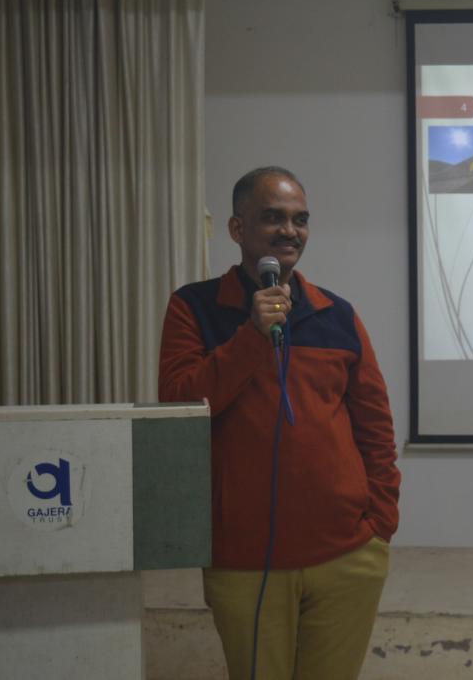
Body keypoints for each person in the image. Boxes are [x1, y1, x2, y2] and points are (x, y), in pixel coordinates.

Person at [158, 166, 400, 680]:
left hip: (347, 557)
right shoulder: (193, 307)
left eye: (300, 219)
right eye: (272, 217)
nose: (290, 231)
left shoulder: (337, 314)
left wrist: (380, 525)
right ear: (237, 228)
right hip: (245, 562)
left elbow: (375, 428)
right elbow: (179, 404)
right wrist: (251, 335)